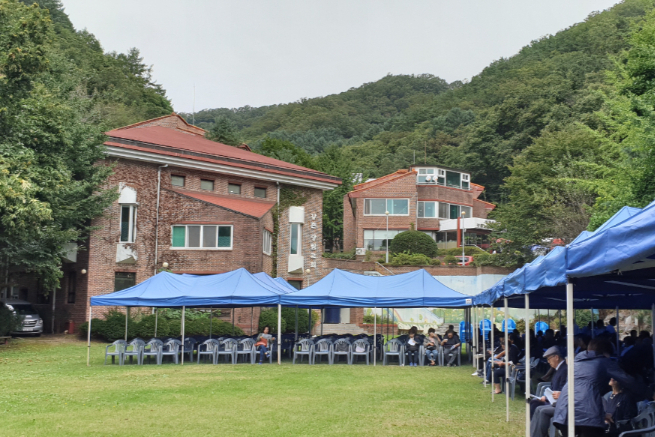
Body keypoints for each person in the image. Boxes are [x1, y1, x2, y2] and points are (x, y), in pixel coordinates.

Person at [553, 338, 615, 437]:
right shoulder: (603, 362)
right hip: (587, 415)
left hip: (563, 412)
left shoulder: (576, 363)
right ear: (605, 353)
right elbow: (626, 379)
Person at [530, 347, 568, 437]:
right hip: (555, 400)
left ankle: (538, 433)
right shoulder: (559, 369)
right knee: (534, 403)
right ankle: (534, 432)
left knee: (539, 408)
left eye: (549, 359)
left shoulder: (564, 370)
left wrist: (547, 398)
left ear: (556, 357)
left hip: (560, 402)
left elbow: (562, 389)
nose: (548, 361)